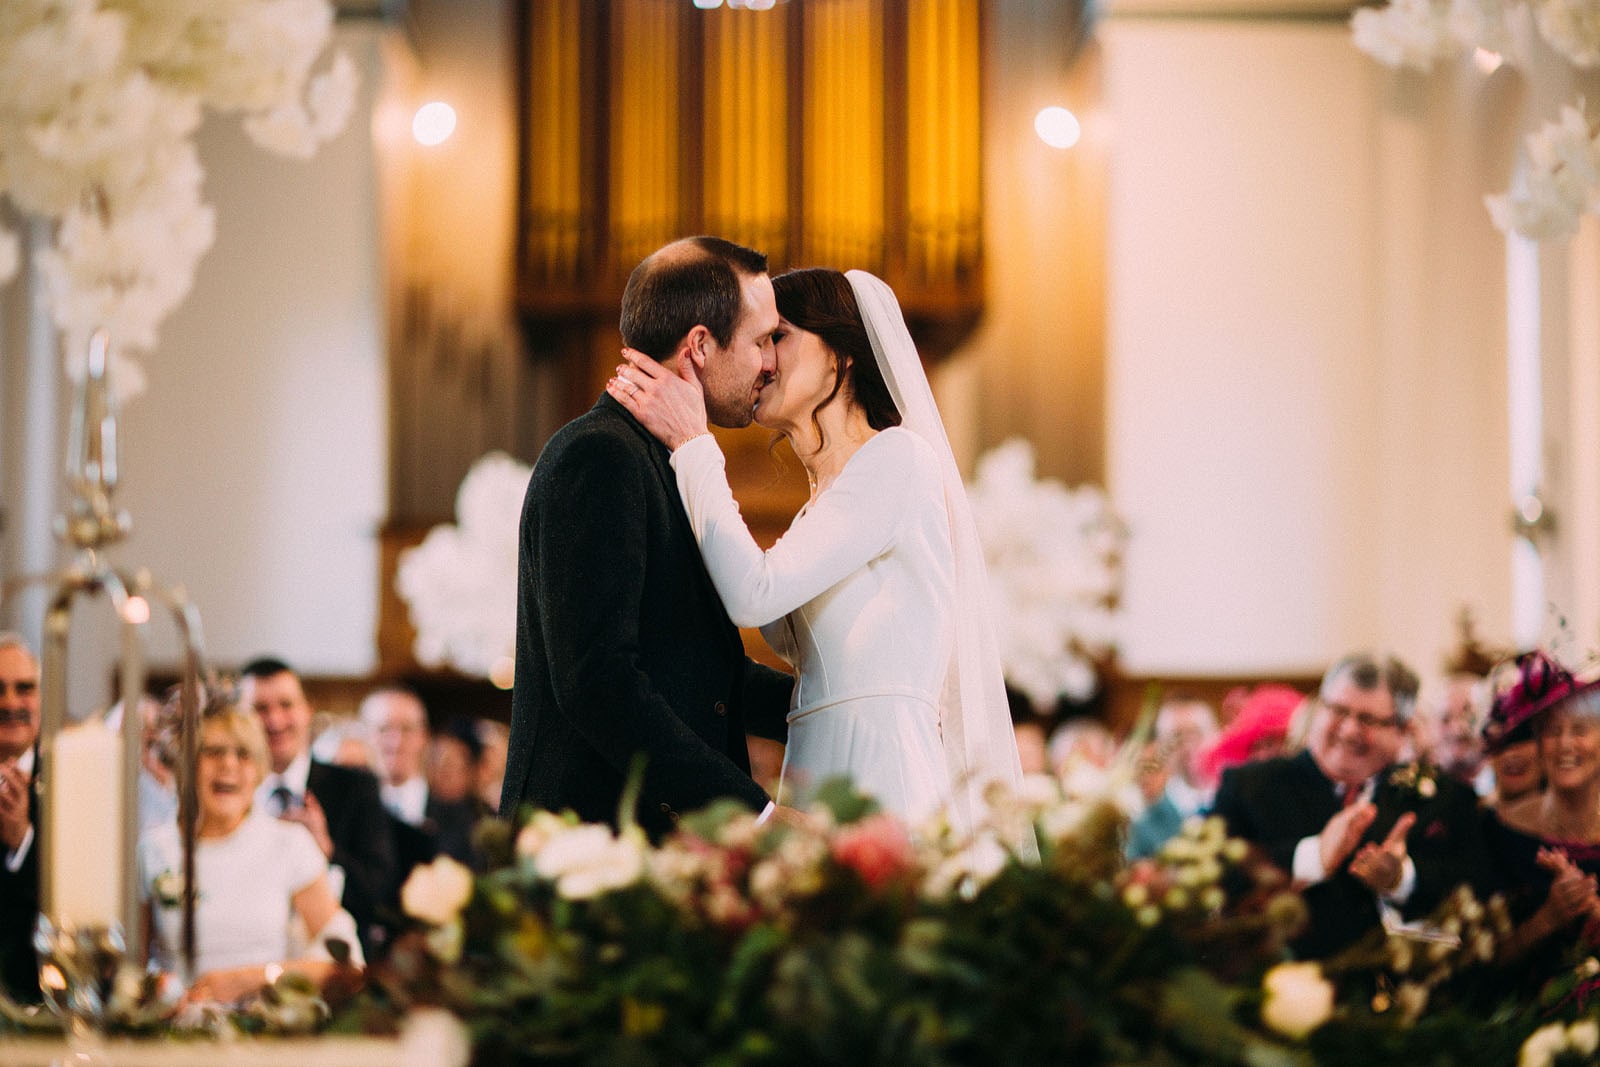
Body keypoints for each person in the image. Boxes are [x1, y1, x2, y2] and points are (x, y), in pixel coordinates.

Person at [608, 266, 1025, 834]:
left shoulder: (896, 459)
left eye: (779, 336)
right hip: (814, 772)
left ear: (841, 356)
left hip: (881, 773)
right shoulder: (819, 506)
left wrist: (693, 443)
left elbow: (753, 594)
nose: (764, 360)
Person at [501, 237, 795, 838]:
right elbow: (597, 681)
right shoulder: (598, 456)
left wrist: (846, 703)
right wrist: (753, 813)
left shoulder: (666, 458)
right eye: (763, 339)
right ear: (700, 346)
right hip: (584, 847)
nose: (772, 361)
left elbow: (702, 675)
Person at [1209, 653, 1490, 958]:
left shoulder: (1443, 797)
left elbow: (1478, 881)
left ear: (1402, 729)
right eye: (1339, 711)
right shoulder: (1248, 786)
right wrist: (1313, 857)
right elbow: (1215, 877)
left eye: (1368, 719)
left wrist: (1402, 878)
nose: (1349, 730)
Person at [139, 700, 362, 1002]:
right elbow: (129, 969)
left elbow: (346, 965)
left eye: (243, 755)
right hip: (176, 1027)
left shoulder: (289, 845)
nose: (229, 765)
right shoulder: (154, 849)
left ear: (258, 770)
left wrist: (253, 979)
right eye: (213, 752)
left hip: (265, 1027)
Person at [240, 657, 396, 959]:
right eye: (260, 709)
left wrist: (327, 849)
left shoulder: (354, 787)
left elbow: (382, 895)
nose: (275, 721)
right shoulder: (230, 794)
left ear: (307, 710)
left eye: (286, 705)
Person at [1480, 651, 1600, 973]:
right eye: (1551, 731)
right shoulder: (1500, 829)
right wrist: (1549, 917)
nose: (1564, 745)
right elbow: (1482, 962)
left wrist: (1592, 910)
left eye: (1579, 731)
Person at [360, 687, 477, 869]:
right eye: (384, 729)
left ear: (424, 736)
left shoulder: (461, 819)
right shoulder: (348, 815)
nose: (396, 742)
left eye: (407, 729)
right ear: (365, 736)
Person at [1127, 695, 1218, 859]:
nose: (1188, 744)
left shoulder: (1231, 802)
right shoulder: (1145, 821)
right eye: (1177, 736)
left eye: (1195, 733)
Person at [0, 634, 40, 1002]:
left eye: (24, 688)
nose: (10, 701)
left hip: (36, 992)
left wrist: (21, 842)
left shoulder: (73, 781)